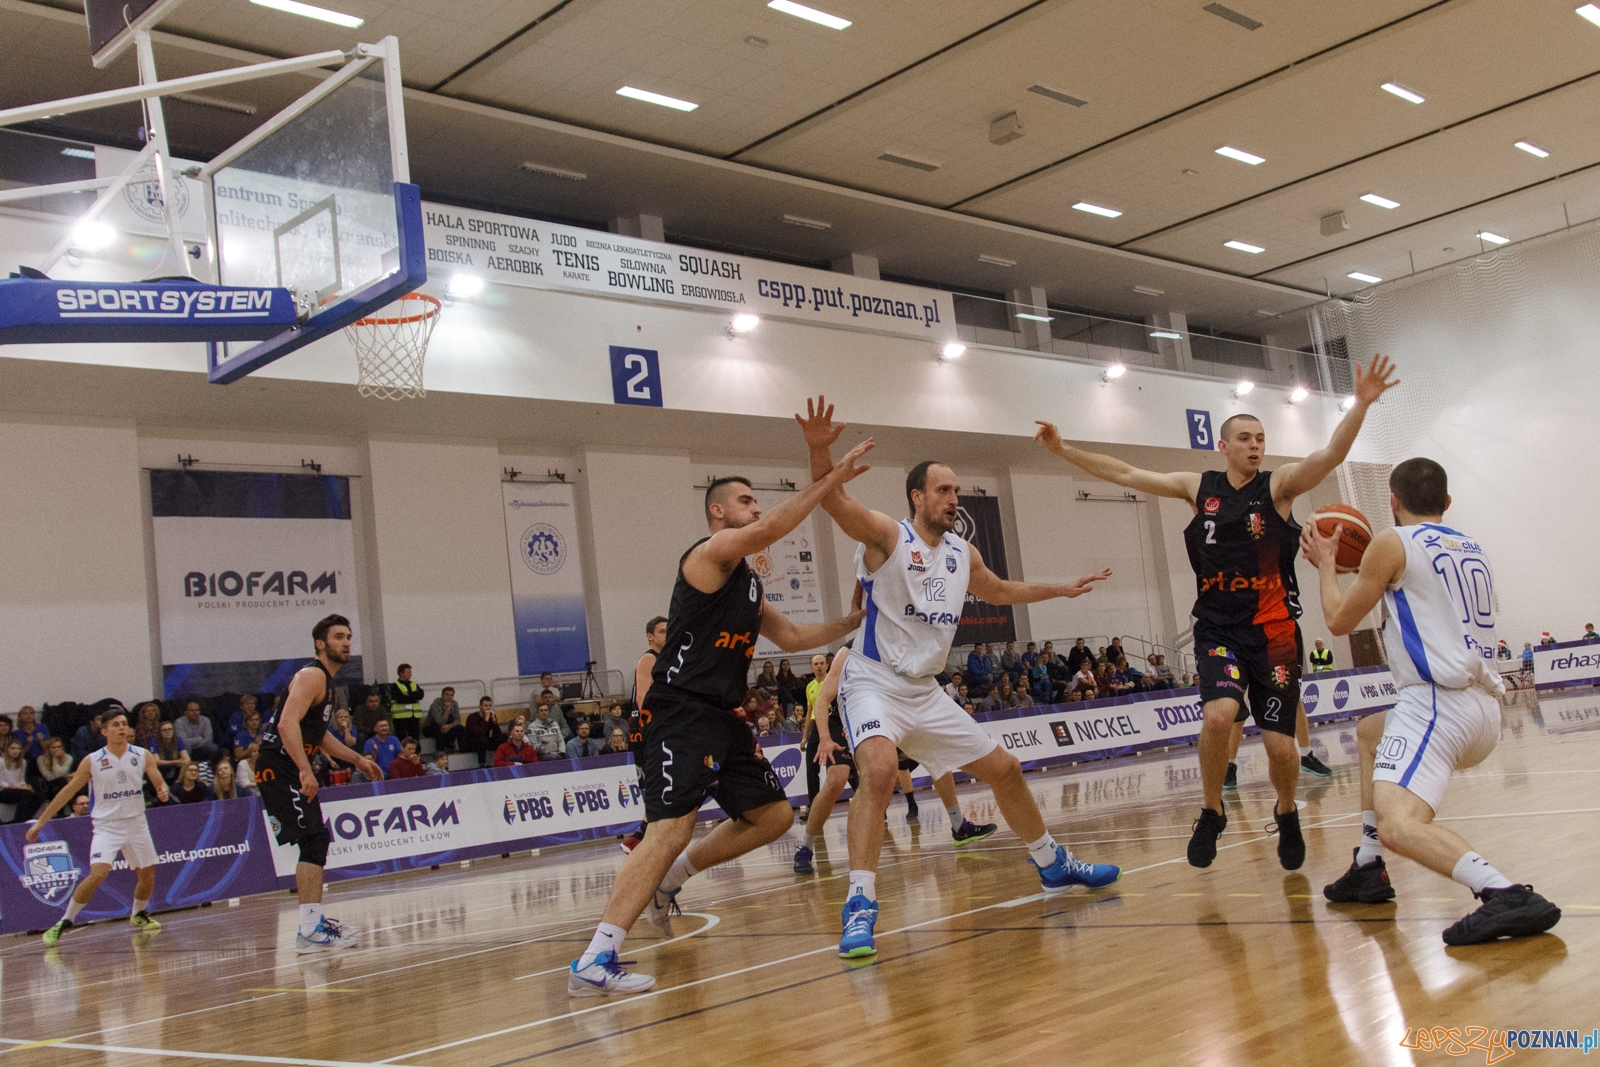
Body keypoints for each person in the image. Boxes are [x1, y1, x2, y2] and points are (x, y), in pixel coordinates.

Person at [1035, 352, 1400, 871]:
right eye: (1246, 439)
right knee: (1218, 714)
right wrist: (1064, 448)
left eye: (1261, 439)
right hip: (1218, 630)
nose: (1256, 446)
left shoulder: (1279, 487)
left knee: (1279, 748)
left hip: (1273, 632)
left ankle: (1287, 810)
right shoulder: (1196, 487)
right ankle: (1211, 811)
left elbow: (1331, 455)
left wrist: (1360, 405)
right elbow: (1128, 472)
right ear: (1222, 445)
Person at [800, 396, 1119, 959]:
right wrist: (818, 451)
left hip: (925, 692)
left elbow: (1001, 591)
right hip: (873, 681)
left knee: (1007, 770)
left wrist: (1060, 588)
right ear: (918, 497)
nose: (954, 498)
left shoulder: (961, 553)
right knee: (876, 773)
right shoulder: (887, 537)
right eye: (944, 490)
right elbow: (833, 500)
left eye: (957, 490)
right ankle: (860, 903)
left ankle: (1051, 862)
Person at [568, 430, 872, 996]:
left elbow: (795, 635)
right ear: (718, 511)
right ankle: (596, 955)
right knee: (670, 827)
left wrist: (850, 624)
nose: (756, 509)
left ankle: (672, 882)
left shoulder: (750, 585)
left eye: (757, 501)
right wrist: (830, 479)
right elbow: (772, 529)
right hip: (680, 709)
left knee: (774, 816)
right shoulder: (706, 555)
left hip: (724, 715)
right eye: (746, 501)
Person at [1307, 458, 1561, 945]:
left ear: (1393, 501)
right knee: (1368, 733)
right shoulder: (1471, 545)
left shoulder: (1391, 542)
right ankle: (1367, 864)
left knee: (1399, 826)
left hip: (1437, 706)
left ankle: (1504, 892)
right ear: (1446, 502)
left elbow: (1338, 620)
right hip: (1485, 710)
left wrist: (1325, 565)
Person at [256, 614, 383, 953]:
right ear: (320, 644)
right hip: (279, 765)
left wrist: (356, 759)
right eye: (339, 637)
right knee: (313, 839)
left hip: (287, 765)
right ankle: (309, 931)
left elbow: (316, 734)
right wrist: (304, 769)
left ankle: (313, 924)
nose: (346, 643)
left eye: (349, 637)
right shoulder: (313, 675)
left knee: (316, 840)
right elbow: (286, 725)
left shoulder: (325, 683)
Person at [27, 707, 170, 944]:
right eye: (116, 724)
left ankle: (138, 913)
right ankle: (66, 921)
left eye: (124, 723)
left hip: (136, 822)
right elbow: (67, 792)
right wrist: (40, 823)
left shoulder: (142, 754)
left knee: (147, 876)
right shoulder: (92, 761)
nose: (122, 728)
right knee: (98, 873)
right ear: (104, 731)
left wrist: (162, 789)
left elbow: (157, 779)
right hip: (107, 826)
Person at [0, 738, 40, 823]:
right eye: (13, 748)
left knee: (38, 796)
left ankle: (23, 819)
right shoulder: (1, 762)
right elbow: (1, 783)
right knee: (26, 795)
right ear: (7, 749)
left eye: (18, 748)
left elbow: (21, 780)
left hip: (16, 789)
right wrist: (20, 788)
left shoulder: (23, 762)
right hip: (3, 790)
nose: (16, 751)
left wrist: (25, 786)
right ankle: (18, 822)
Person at [386, 664, 425, 741]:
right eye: (408, 672)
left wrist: (408, 694)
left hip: (414, 716)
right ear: (401, 673)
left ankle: (416, 752)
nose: (410, 674)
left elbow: (420, 695)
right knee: (402, 738)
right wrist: (413, 697)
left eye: (410, 672)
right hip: (401, 717)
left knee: (415, 738)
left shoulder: (414, 684)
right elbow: (400, 700)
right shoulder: (395, 686)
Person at [463, 697, 506, 766]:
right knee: (481, 740)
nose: (488, 708)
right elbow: (479, 733)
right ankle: (482, 764)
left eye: (489, 706)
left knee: (502, 737)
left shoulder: (492, 716)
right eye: (485, 706)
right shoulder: (472, 717)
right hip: (472, 742)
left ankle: (500, 760)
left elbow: (498, 733)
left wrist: (494, 721)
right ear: (480, 706)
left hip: (485, 740)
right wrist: (486, 719)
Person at [424, 687, 463, 752]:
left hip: (447, 725)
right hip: (430, 727)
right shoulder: (435, 705)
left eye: (451, 695)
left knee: (461, 728)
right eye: (447, 694)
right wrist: (447, 709)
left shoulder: (454, 703)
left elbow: (458, 720)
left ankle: (462, 751)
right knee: (440, 730)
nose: (449, 697)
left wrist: (449, 726)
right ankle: (440, 753)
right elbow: (440, 722)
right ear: (442, 695)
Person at [37, 736, 75, 803]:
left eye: (59, 747)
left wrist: (55, 760)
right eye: (53, 747)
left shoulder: (68, 757)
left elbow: (59, 775)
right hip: (49, 786)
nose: (56, 749)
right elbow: (49, 777)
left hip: (63, 785)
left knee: (62, 782)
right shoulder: (40, 759)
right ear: (48, 749)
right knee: (60, 781)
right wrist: (55, 758)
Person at [151, 720, 189, 785]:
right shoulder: (154, 741)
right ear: (159, 732)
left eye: (170, 729)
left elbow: (187, 759)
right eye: (164, 730)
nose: (168, 732)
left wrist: (180, 762)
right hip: (161, 769)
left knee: (185, 765)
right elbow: (156, 762)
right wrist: (175, 762)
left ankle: (178, 783)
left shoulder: (178, 739)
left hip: (175, 769)